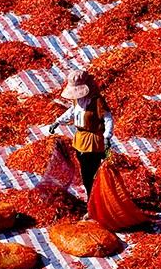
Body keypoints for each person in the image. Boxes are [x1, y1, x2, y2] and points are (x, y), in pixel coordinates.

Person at [47, 69, 115, 198]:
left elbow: (108, 119)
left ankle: (94, 201)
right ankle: (93, 199)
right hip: (80, 139)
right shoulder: (77, 100)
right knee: (85, 172)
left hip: (93, 140)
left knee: (90, 173)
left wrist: (107, 136)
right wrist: (57, 122)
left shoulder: (97, 101)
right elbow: (72, 111)